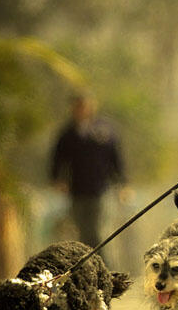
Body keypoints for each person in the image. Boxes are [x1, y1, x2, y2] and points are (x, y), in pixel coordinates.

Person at [50, 93, 131, 251]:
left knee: (96, 231)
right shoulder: (67, 134)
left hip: (99, 189)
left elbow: (116, 159)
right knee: (82, 231)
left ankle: (105, 268)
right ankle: (89, 267)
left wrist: (123, 183)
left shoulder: (104, 131)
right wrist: (57, 179)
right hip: (77, 190)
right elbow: (58, 159)